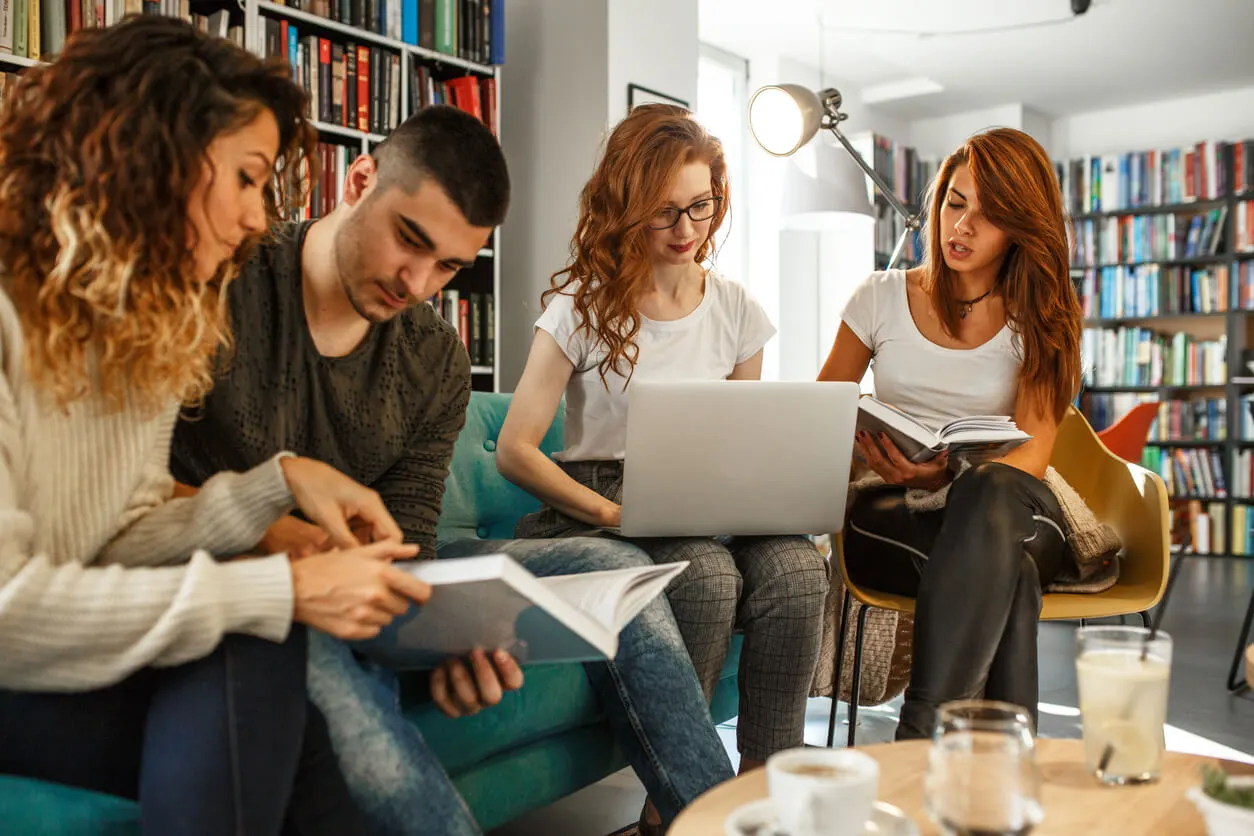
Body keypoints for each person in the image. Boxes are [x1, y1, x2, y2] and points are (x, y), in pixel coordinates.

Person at [168, 104, 734, 836]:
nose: (418, 282)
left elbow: (411, 540)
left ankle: (717, 821)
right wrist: (276, 534)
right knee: (336, 685)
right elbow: (133, 500)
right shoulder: (222, 286)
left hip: (376, 570)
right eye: (410, 240)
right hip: (242, 577)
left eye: (450, 267)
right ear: (359, 179)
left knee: (613, 569)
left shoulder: (433, 356)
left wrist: (445, 635)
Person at [0, 17, 436, 836]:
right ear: (150, 154)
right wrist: (280, 587)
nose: (254, 219)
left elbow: (119, 532)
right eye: (244, 178)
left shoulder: (139, 329)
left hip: (57, 670)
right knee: (258, 641)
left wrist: (278, 484)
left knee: (260, 674)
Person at [496, 104, 830, 774]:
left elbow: (739, 443)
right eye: (664, 211)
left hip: (708, 498)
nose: (686, 230)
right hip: (602, 497)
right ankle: (675, 799)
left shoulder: (738, 310)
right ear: (624, 204)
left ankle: (765, 790)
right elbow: (515, 449)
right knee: (703, 575)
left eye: (701, 207)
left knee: (798, 570)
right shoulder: (582, 308)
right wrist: (612, 514)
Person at [817, 127, 1083, 739]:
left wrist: (950, 474)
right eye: (954, 202)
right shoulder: (880, 298)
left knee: (989, 492)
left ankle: (920, 741)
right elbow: (819, 417)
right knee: (1009, 577)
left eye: (987, 216)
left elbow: (1032, 456)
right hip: (887, 508)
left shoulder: (1046, 312)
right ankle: (1000, 780)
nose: (960, 227)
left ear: (1021, 226)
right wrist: (882, 463)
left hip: (1006, 507)